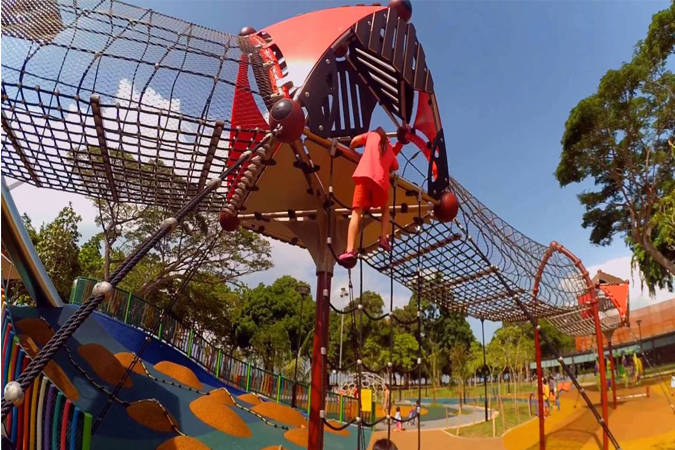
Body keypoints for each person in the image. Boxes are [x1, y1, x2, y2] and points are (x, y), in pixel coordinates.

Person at [338, 127, 406, 267]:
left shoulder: (371, 135)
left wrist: (354, 150)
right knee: (385, 209)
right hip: (381, 183)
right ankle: (383, 237)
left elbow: (354, 142)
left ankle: (350, 249)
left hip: (365, 177)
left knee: (357, 212)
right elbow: (395, 165)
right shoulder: (389, 149)